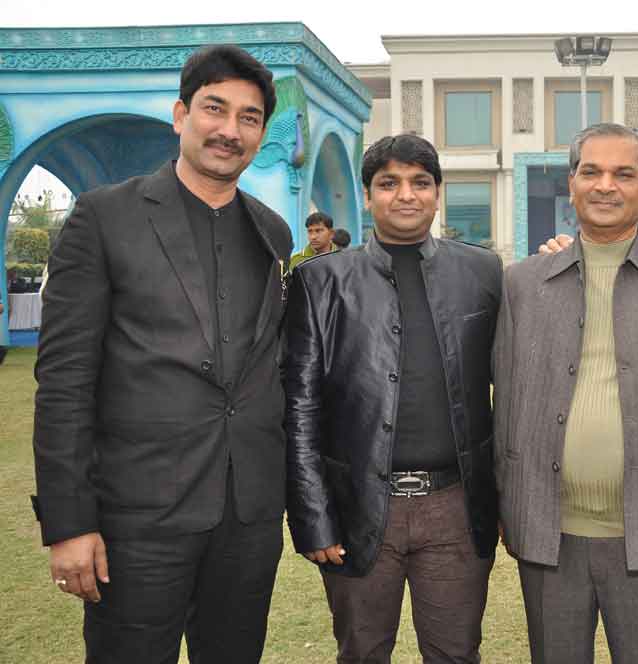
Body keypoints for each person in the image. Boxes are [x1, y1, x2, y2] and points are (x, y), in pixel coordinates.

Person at [32, 44, 291, 664]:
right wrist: (69, 523)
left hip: (247, 521)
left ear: (260, 134)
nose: (230, 130)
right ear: (180, 115)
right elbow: (65, 381)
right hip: (137, 522)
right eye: (214, 108)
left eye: (249, 118)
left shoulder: (273, 233)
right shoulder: (103, 219)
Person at [493, 123, 638, 663]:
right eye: (591, 172)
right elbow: (506, 403)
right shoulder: (522, 282)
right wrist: (506, 501)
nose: (605, 186)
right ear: (571, 183)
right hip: (548, 532)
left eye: (623, 174)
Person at [283, 134, 501, 663]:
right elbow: (300, 407)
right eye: (389, 183)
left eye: (420, 182)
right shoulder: (320, 280)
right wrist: (313, 516)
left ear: (437, 192)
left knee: (456, 653)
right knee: (362, 652)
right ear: (366, 195)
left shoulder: (483, 271)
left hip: (455, 507)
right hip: (357, 504)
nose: (406, 195)